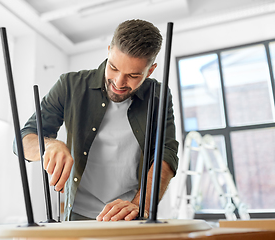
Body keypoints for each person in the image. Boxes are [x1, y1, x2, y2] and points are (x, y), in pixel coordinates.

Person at [18, 19, 179, 221]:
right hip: (78, 215)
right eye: (113, 67)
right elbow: (23, 140)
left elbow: (166, 154)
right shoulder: (69, 85)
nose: (119, 82)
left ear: (151, 70)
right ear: (109, 50)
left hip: (129, 214)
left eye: (133, 75)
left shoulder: (159, 95)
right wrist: (49, 145)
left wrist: (139, 205)